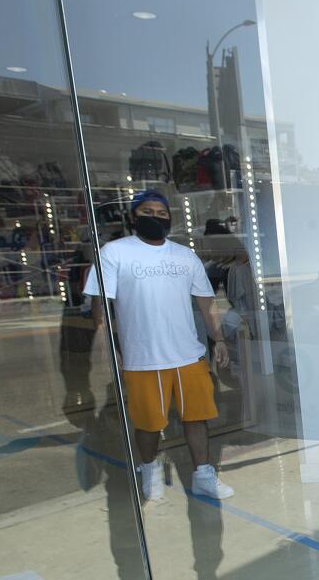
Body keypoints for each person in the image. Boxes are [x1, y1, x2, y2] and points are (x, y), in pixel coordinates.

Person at [85, 188, 234, 503]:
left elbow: (207, 305)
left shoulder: (185, 256)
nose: (155, 218)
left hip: (188, 356)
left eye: (161, 213)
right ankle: (149, 470)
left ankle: (203, 474)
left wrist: (218, 338)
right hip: (143, 359)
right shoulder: (114, 253)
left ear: (170, 218)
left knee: (197, 417)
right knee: (149, 424)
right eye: (147, 213)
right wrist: (104, 340)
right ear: (133, 217)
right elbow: (101, 309)